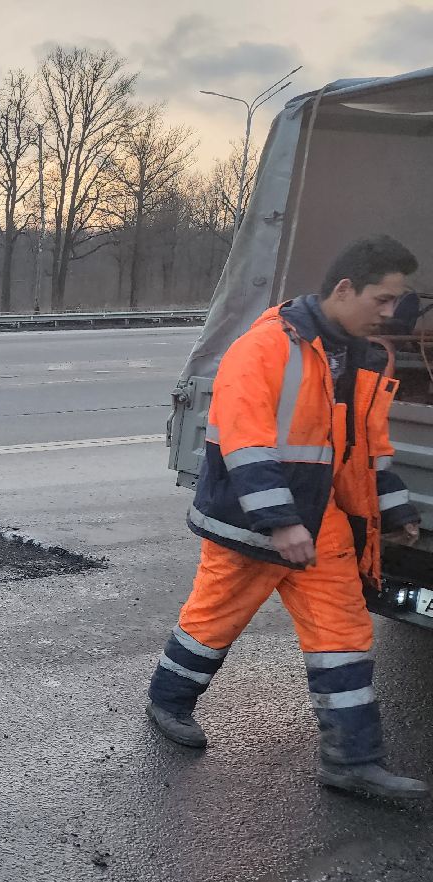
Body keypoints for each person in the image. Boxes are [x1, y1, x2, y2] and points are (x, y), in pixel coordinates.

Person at [147, 235, 424, 801]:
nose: (391, 313)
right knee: (211, 622)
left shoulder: (366, 359)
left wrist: (393, 509)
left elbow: (366, 450)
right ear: (345, 289)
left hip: (321, 523)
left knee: (344, 636)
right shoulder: (266, 347)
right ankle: (168, 704)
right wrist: (280, 522)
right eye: (384, 300)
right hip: (252, 527)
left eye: (398, 302)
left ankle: (353, 760)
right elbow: (244, 444)